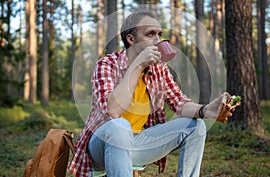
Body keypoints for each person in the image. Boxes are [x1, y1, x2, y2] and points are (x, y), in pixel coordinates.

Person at [69, 10, 235, 177]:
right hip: (101, 146)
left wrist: (206, 110)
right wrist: (138, 66)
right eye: (150, 34)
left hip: (138, 142)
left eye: (160, 34)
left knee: (196, 127)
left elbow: (179, 102)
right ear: (131, 39)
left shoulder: (159, 69)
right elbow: (113, 111)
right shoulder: (107, 64)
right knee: (120, 126)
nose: (158, 40)